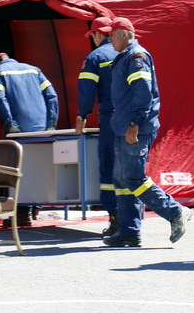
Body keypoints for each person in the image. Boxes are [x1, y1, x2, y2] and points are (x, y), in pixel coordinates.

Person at [102, 17, 192, 248]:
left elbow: (143, 92)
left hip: (135, 128)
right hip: (124, 126)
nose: (108, 38)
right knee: (123, 179)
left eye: (111, 34)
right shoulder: (125, 57)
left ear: (123, 34)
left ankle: (175, 212)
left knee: (133, 177)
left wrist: (135, 122)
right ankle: (130, 231)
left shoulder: (136, 57)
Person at [0, 52, 59, 225]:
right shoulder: (34, 70)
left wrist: (9, 123)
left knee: (18, 169)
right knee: (39, 167)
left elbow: (0, 98)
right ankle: (36, 209)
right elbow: (52, 96)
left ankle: (21, 213)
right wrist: (51, 123)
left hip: (19, 128)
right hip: (42, 128)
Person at [75, 17, 120, 237]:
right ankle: (133, 218)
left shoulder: (95, 57)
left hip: (110, 121)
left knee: (109, 168)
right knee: (131, 169)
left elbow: (87, 93)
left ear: (97, 35)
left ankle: (115, 220)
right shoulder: (131, 54)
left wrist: (82, 115)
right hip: (135, 121)